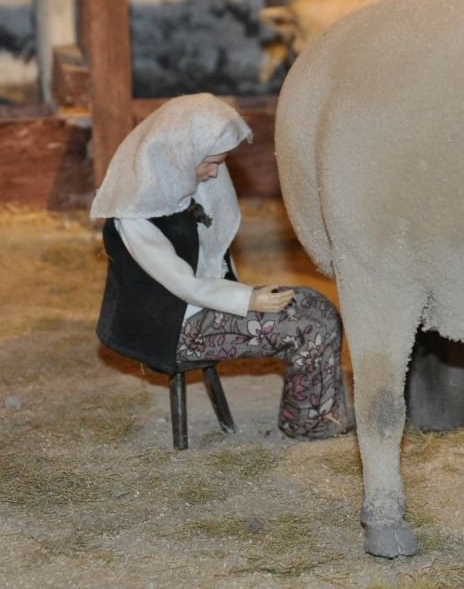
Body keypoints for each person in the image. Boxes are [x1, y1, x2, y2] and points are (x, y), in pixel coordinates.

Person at [91, 93, 351, 440]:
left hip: (207, 303)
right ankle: (308, 423)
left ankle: (323, 413)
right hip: (174, 325)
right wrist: (247, 300)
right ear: (179, 156)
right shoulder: (135, 213)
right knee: (302, 328)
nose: (214, 173)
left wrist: (242, 295)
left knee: (318, 308)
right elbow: (182, 282)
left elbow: (212, 258)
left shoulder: (186, 185)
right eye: (208, 163)